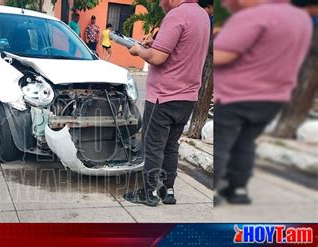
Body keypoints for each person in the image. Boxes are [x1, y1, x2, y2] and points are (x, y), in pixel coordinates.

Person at [213, 0, 312, 205]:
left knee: (221, 144)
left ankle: (213, 191)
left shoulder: (253, 17)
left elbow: (221, 56)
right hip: (274, 97)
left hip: (237, 95)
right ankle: (238, 190)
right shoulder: (301, 18)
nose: (227, 3)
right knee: (246, 142)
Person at [123, 0, 210, 207]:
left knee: (153, 146)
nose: (161, 3)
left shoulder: (177, 15)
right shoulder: (202, 16)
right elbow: (182, 49)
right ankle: (167, 190)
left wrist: (137, 50)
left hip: (164, 96)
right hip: (187, 97)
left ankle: (148, 192)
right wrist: (155, 43)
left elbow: (156, 58)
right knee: (171, 146)